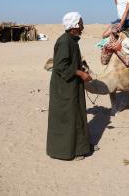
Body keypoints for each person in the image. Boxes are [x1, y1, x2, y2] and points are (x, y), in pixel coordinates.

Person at [47, 12, 98, 161]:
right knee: (68, 118)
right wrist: (80, 74)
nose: (83, 26)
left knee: (77, 115)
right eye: (81, 23)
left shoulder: (72, 41)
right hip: (64, 87)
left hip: (72, 84)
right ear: (74, 26)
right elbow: (60, 67)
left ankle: (81, 147)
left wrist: (82, 70)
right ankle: (65, 152)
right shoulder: (64, 42)